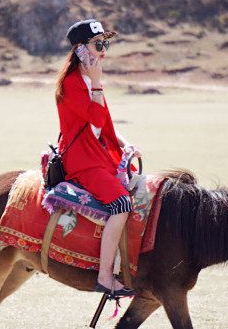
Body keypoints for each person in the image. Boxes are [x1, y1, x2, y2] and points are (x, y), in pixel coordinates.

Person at [54, 19, 141, 296]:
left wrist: (126, 145)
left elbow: (103, 125)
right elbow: (94, 116)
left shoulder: (88, 80)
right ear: (80, 50)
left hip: (100, 157)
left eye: (106, 44)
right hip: (83, 162)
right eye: (98, 44)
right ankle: (104, 276)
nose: (104, 50)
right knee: (121, 204)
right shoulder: (72, 83)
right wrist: (95, 82)